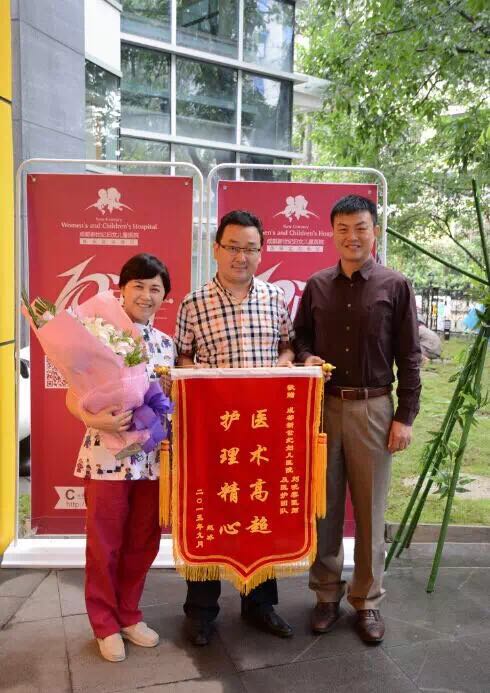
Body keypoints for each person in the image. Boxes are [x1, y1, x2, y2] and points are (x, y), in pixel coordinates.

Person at [293, 195, 421, 644]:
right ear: (332, 234)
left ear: (375, 231)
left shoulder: (395, 285)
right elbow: (301, 337)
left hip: (374, 408)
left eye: (361, 227)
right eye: (343, 228)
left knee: (370, 510)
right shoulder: (317, 285)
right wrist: (307, 357)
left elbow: (410, 355)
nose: (352, 237)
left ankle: (367, 601)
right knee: (324, 507)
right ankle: (326, 594)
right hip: (324, 407)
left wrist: (405, 416)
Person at [174, 209, 295, 646]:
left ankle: (260, 604)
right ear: (216, 249)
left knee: (259, 509)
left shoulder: (275, 298)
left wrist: (284, 364)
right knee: (211, 511)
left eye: (250, 248)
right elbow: (182, 358)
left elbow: (288, 347)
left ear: (261, 252)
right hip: (215, 431)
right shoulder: (193, 303)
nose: (241, 257)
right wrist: (200, 378)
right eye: (232, 247)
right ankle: (201, 611)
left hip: (261, 430)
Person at [66, 253, 175, 662]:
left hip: (152, 460)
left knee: (143, 541)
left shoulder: (167, 345)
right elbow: (73, 394)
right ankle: (104, 623)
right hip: (106, 457)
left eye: (155, 288)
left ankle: (129, 614)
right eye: (138, 286)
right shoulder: (99, 336)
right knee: (104, 544)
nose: (146, 295)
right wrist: (93, 418)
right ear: (122, 291)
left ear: (164, 296)